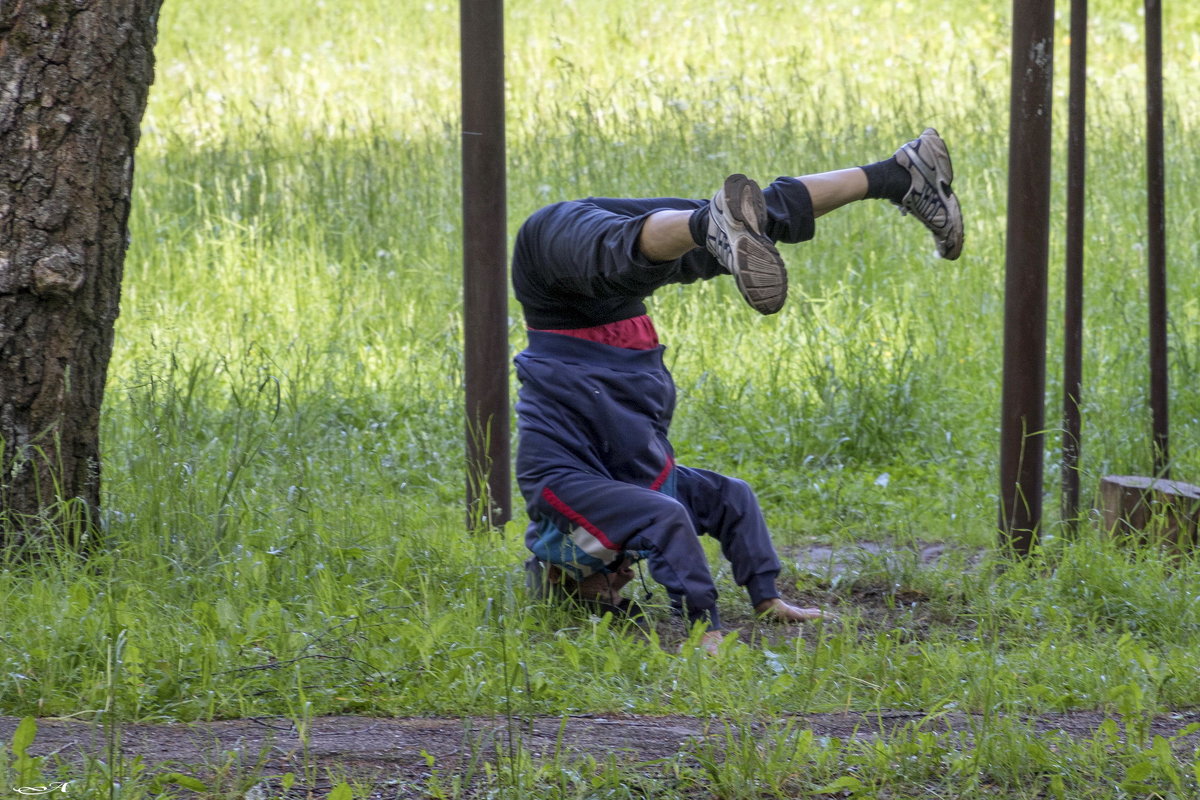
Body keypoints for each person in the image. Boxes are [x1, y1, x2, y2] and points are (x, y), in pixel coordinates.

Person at [515, 129, 963, 652]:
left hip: (551, 278)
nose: (624, 585)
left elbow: (658, 522)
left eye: (607, 593)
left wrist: (704, 627)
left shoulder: (561, 505)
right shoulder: (623, 496)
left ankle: (713, 223)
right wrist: (765, 596)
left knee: (644, 245)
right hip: (608, 306)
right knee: (734, 228)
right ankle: (897, 175)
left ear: (564, 580)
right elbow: (729, 502)